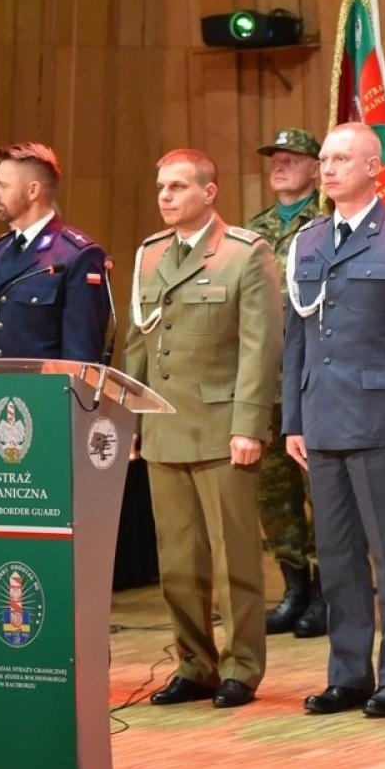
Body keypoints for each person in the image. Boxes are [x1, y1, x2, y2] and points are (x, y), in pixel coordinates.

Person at [283, 123, 385, 719]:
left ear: (375, 168)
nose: (326, 169)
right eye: (324, 159)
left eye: (341, 158)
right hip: (323, 420)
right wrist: (293, 417)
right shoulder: (307, 242)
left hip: (381, 421)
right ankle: (348, 673)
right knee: (337, 553)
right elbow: (298, 334)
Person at [125, 148, 282, 710]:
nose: (165, 197)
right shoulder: (149, 256)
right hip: (165, 426)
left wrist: (249, 425)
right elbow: (138, 345)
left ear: (209, 192)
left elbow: (260, 348)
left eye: (178, 187)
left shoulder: (244, 254)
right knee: (178, 560)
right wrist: (131, 419)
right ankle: (195, 664)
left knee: (232, 557)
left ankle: (242, 667)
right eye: (161, 187)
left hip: (221, 428)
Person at [247, 127, 325, 639]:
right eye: (274, 157)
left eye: (291, 157)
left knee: (321, 489)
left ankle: (330, 590)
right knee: (273, 491)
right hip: (266, 377)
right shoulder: (252, 232)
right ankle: (295, 586)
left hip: (315, 377)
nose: (279, 164)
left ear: (317, 168)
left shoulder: (328, 224)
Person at [0, 142, 111, 363]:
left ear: (33, 190)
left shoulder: (77, 256)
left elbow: (81, 359)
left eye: (3, 186)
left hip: (44, 395)